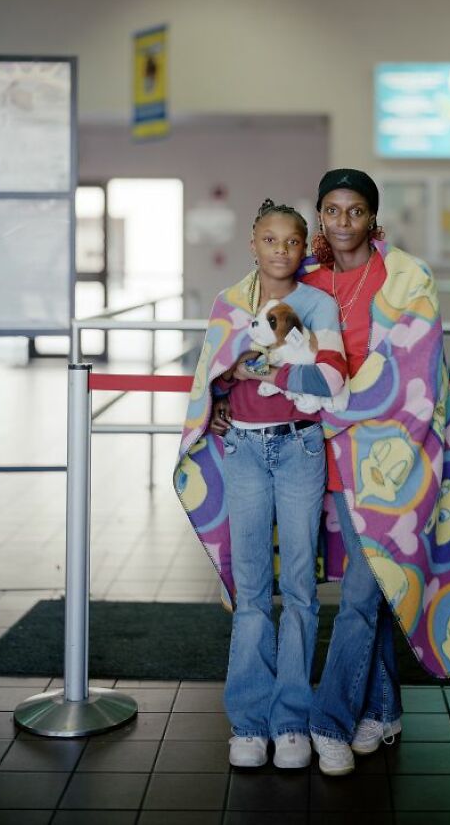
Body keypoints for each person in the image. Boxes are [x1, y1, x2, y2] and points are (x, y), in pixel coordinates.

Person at [300, 169, 450, 776]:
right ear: (319, 215)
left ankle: (328, 721)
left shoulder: (407, 277)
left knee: (358, 596)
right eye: (331, 209)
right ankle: (383, 709)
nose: (342, 221)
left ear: (371, 217)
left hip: (386, 462)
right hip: (321, 456)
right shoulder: (304, 280)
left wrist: (336, 405)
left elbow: (415, 368)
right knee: (369, 583)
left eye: (355, 210)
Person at [175, 199, 348, 770]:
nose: (281, 250)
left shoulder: (319, 302)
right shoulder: (230, 302)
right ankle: (250, 723)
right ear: (253, 244)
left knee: (299, 586)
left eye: (292, 241)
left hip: (300, 446)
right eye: (270, 240)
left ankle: (292, 720)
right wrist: (222, 397)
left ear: (305, 248)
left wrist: (271, 370)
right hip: (243, 450)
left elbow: (331, 376)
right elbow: (212, 374)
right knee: (250, 590)